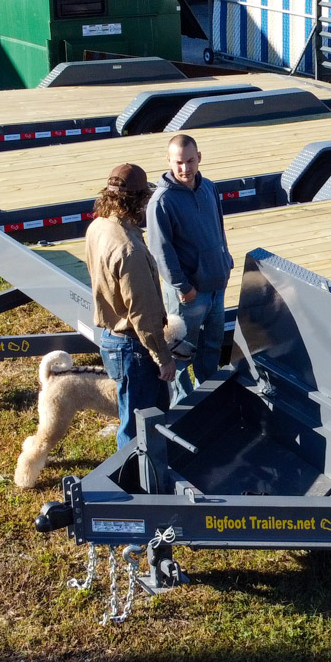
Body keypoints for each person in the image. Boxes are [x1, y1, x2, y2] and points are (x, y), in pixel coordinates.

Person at [85, 162, 176, 448]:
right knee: (140, 426)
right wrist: (163, 357)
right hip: (134, 348)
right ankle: (137, 484)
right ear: (138, 201)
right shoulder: (130, 249)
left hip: (113, 340)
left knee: (131, 417)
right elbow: (143, 313)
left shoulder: (98, 226)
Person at [147, 133, 233, 405]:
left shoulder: (209, 187)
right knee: (183, 354)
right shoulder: (162, 201)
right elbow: (161, 250)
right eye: (179, 162)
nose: (185, 168)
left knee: (212, 347)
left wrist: (226, 262)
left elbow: (219, 228)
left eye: (190, 161)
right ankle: (182, 406)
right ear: (169, 161)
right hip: (189, 294)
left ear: (199, 158)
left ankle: (208, 399)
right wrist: (183, 286)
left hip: (216, 286)